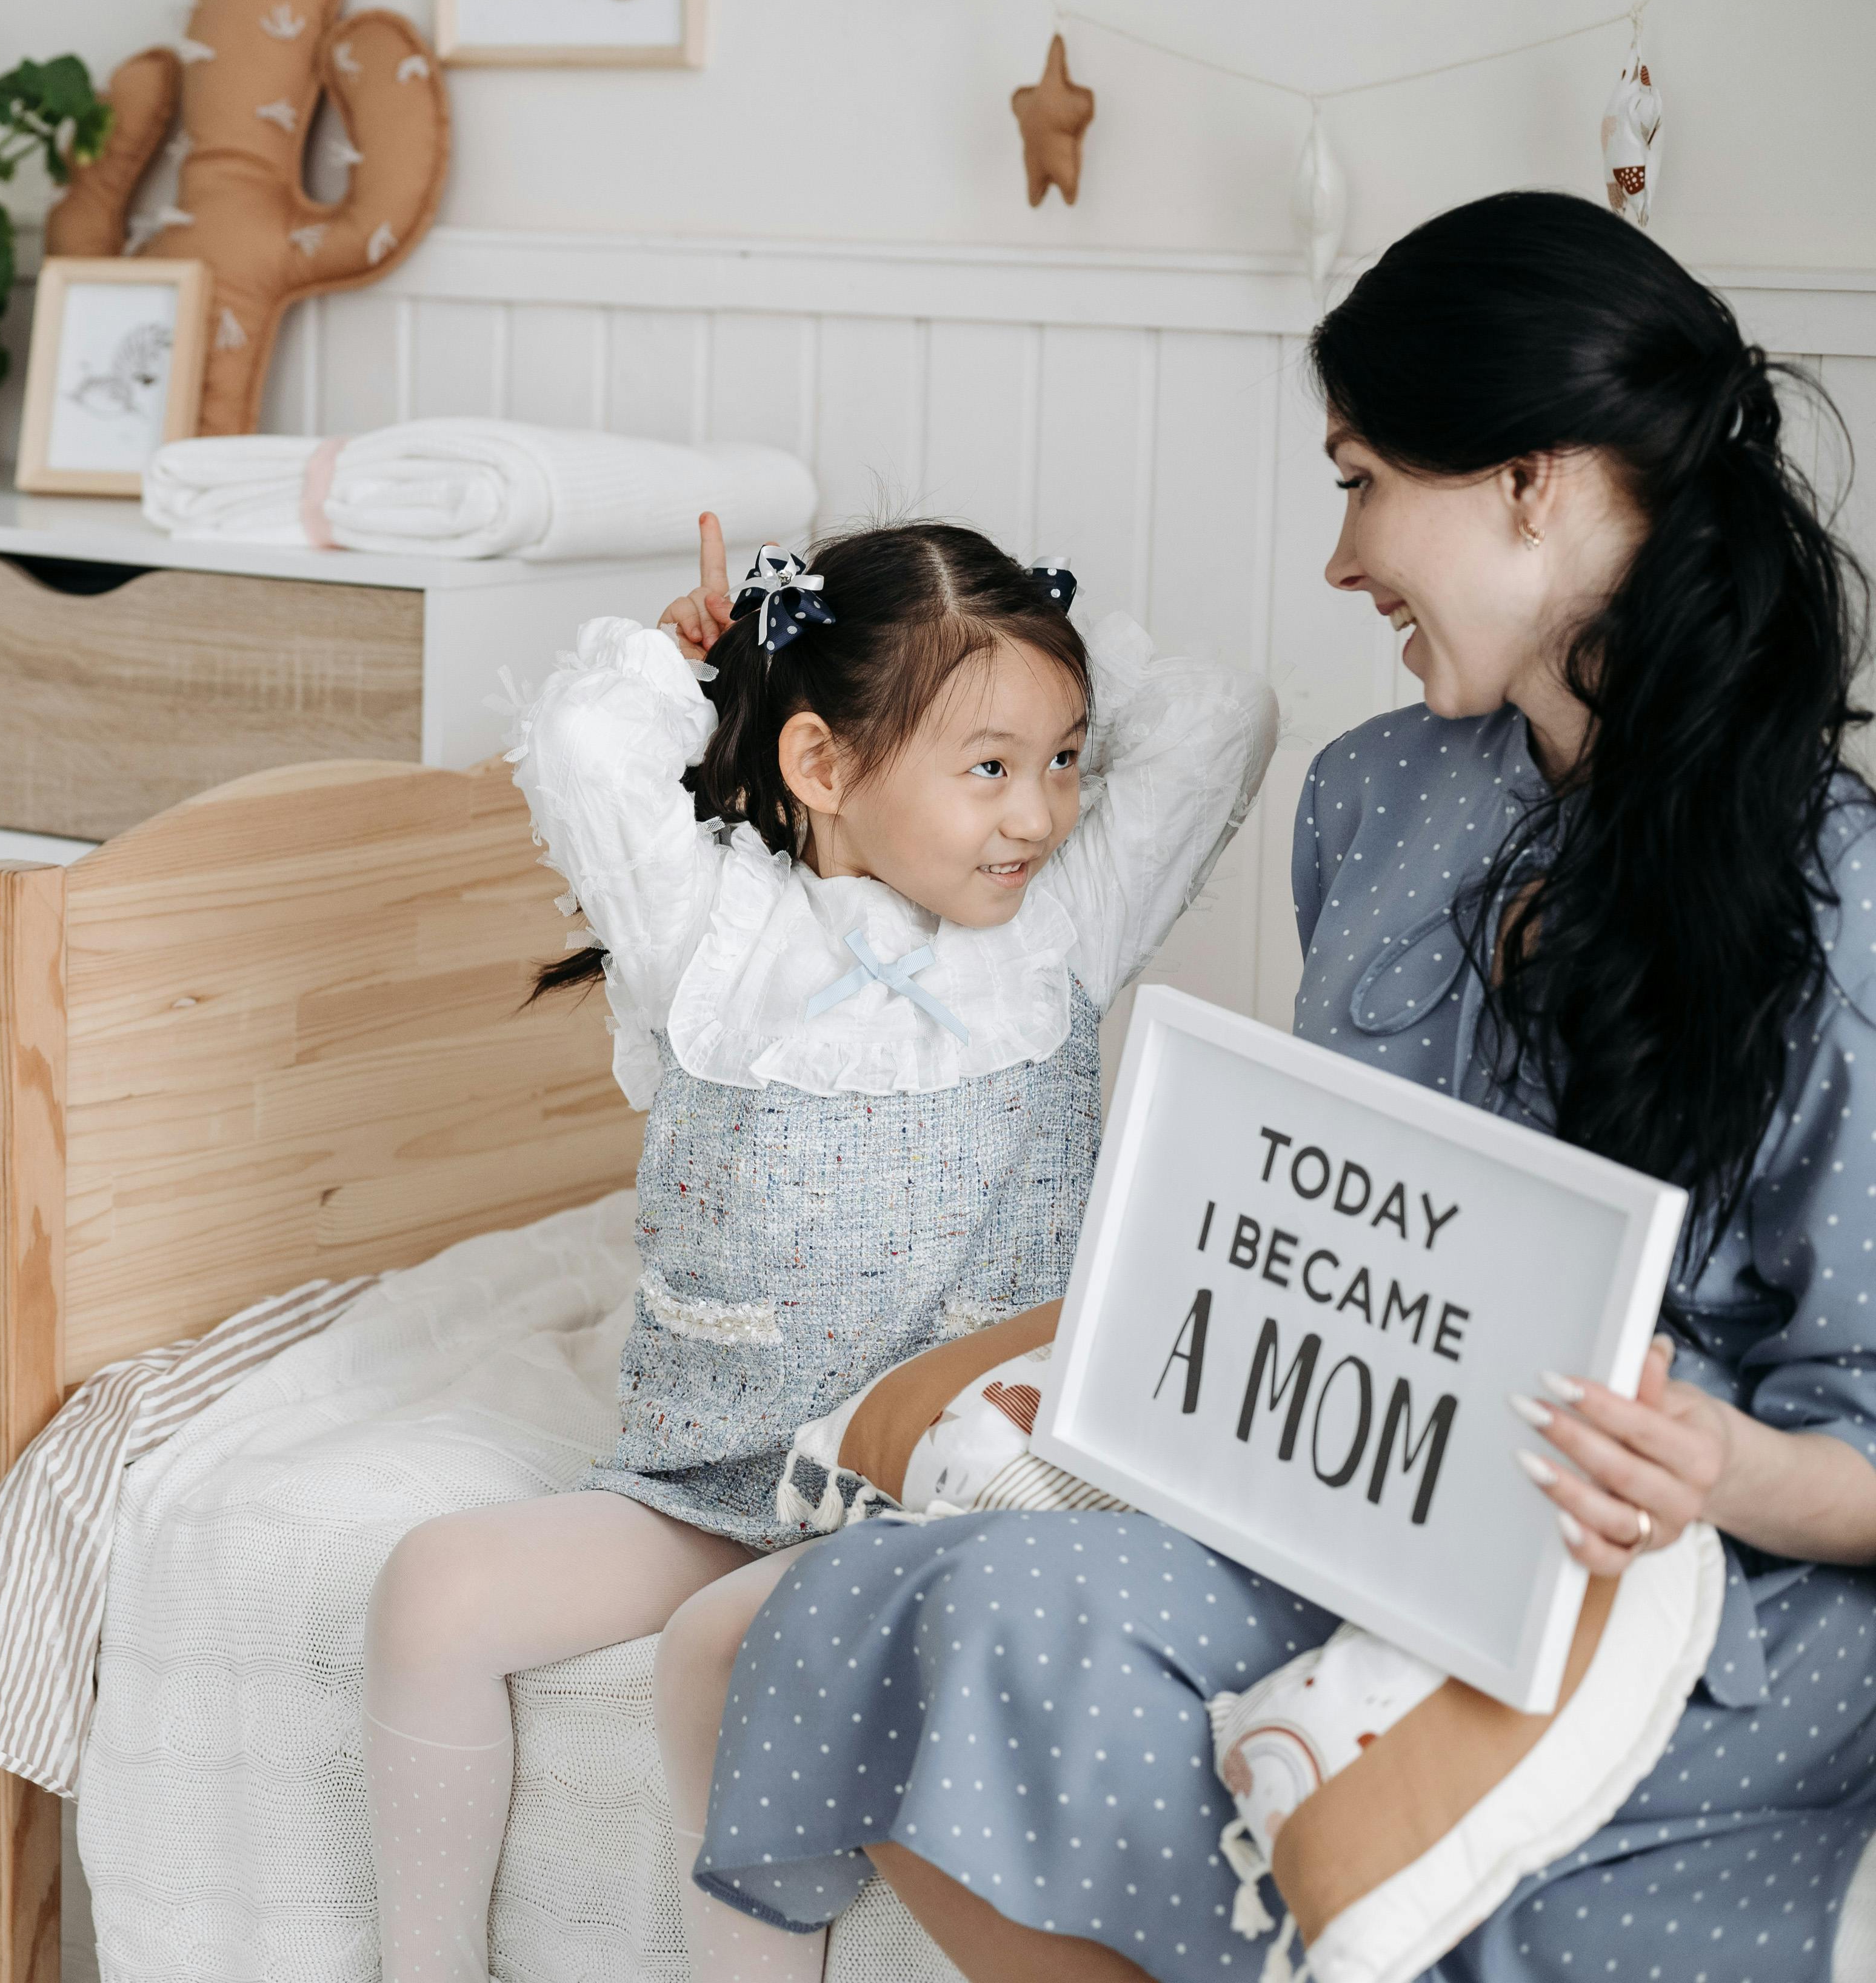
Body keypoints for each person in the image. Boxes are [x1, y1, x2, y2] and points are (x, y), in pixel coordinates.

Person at [696, 188, 1876, 1982]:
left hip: (1686, 1572)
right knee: (895, 1612)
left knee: (1503, 1891)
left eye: (1358, 479)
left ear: (1531, 486)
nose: (1340, 560)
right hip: (1357, 1500)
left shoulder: (1835, 891)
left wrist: (1721, 1469)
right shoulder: (1381, 798)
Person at [364, 519, 1279, 1983]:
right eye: (986, 766)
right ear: (819, 766)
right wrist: (696, 656)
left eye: (1059, 760)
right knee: (431, 1589)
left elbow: (1221, 718)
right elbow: (588, 743)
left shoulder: (1059, 934)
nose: (1038, 814)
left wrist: (1018, 640)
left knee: (739, 1666)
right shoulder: (707, 933)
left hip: (938, 1499)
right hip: (712, 1478)